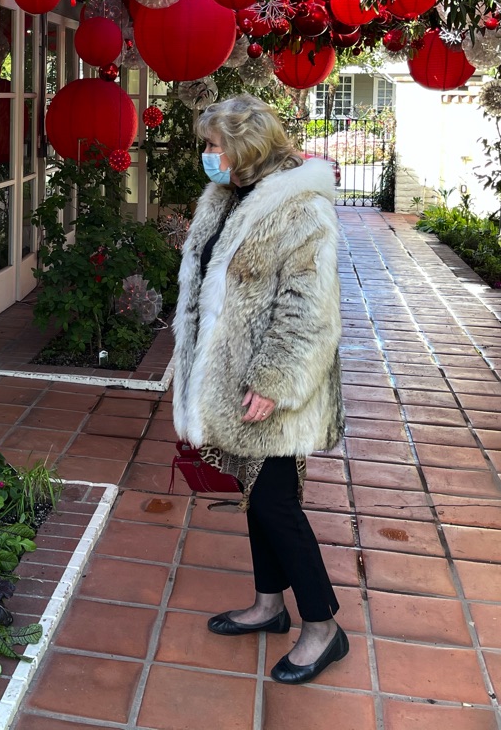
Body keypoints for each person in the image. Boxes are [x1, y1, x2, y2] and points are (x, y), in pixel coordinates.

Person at [171, 93, 347, 685]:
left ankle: (323, 627)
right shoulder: (228, 196)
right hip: (232, 380)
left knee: (276, 503)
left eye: (215, 146)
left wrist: (274, 381)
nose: (208, 156)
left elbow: (309, 311)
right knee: (257, 496)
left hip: (272, 385)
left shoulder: (300, 210)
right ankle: (270, 605)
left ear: (244, 150)